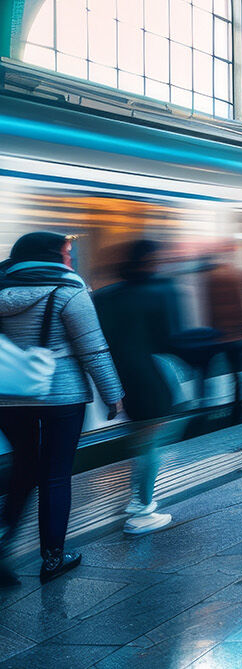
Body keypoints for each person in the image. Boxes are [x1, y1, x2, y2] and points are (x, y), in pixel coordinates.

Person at [0, 232, 124, 584]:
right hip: (62, 396)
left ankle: (4, 539)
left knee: (24, 465)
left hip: (8, 396)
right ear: (50, 256)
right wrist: (112, 394)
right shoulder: (69, 291)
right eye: (67, 253)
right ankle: (54, 558)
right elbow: (93, 349)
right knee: (55, 474)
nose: (70, 260)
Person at [92, 239, 187, 535]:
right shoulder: (163, 290)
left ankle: (137, 500)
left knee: (143, 439)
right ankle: (142, 510)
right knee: (153, 442)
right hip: (152, 377)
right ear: (149, 260)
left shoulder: (105, 296)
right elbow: (170, 337)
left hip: (119, 379)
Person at [198, 254, 242, 424]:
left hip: (217, 336)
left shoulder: (210, 279)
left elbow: (208, 310)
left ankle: (204, 410)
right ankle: (238, 412)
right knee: (238, 377)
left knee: (206, 373)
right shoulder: (236, 275)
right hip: (236, 336)